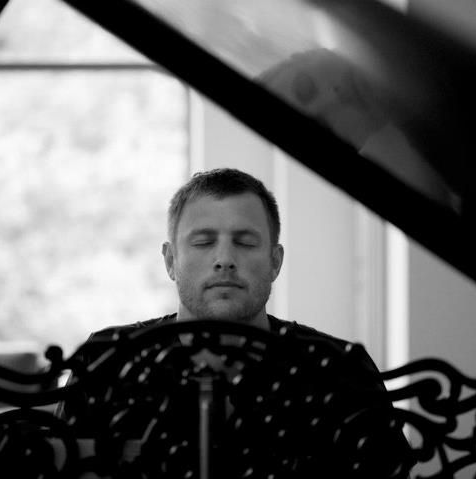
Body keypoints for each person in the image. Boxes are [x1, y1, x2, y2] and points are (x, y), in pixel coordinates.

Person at [60, 168, 413, 477]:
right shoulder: (106, 360)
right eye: (203, 242)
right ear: (170, 261)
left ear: (275, 262)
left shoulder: (339, 368)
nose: (225, 259)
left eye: (245, 243)